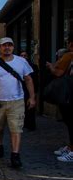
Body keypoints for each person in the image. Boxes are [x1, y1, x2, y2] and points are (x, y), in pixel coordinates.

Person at [0, 37, 36, 168]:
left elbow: (28, 79)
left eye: (10, 45)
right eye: (4, 45)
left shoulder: (21, 62)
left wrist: (32, 97)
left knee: (16, 129)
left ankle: (15, 156)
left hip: (16, 101)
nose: (7, 47)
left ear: (13, 47)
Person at [45, 34, 73, 162]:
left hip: (68, 94)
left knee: (70, 122)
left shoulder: (68, 55)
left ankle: (71, 151)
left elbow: (58, 73)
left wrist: (51, 66)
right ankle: (70, 147)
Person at [19, 51, 39, 131]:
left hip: (30, 89)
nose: (23, 57)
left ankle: (31, 125)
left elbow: (35, 79)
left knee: (30, 107)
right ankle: (25, 124)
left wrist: (34, 92)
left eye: (25, 55)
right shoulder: (17, 66)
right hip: (21, 90)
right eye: (21, 55)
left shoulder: (33, 66)